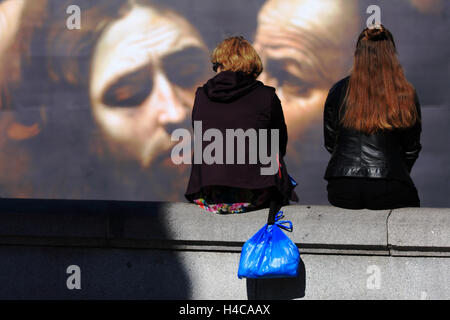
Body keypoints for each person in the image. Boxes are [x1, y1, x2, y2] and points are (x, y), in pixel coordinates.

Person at [185, 36, 298, 219]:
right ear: (252, 66)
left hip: (209, 195)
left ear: (220, 65)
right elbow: (279, 143)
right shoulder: (266, 96)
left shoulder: (201, 96)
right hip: (256, 194)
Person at [323, 25, 422, 210]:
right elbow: (411, 149)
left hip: (342, 185)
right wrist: (392, 172)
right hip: (389, 185)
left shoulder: (338, 90)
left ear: (358, 54)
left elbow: (331, 142)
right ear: (391, 54)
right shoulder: (405, 93)